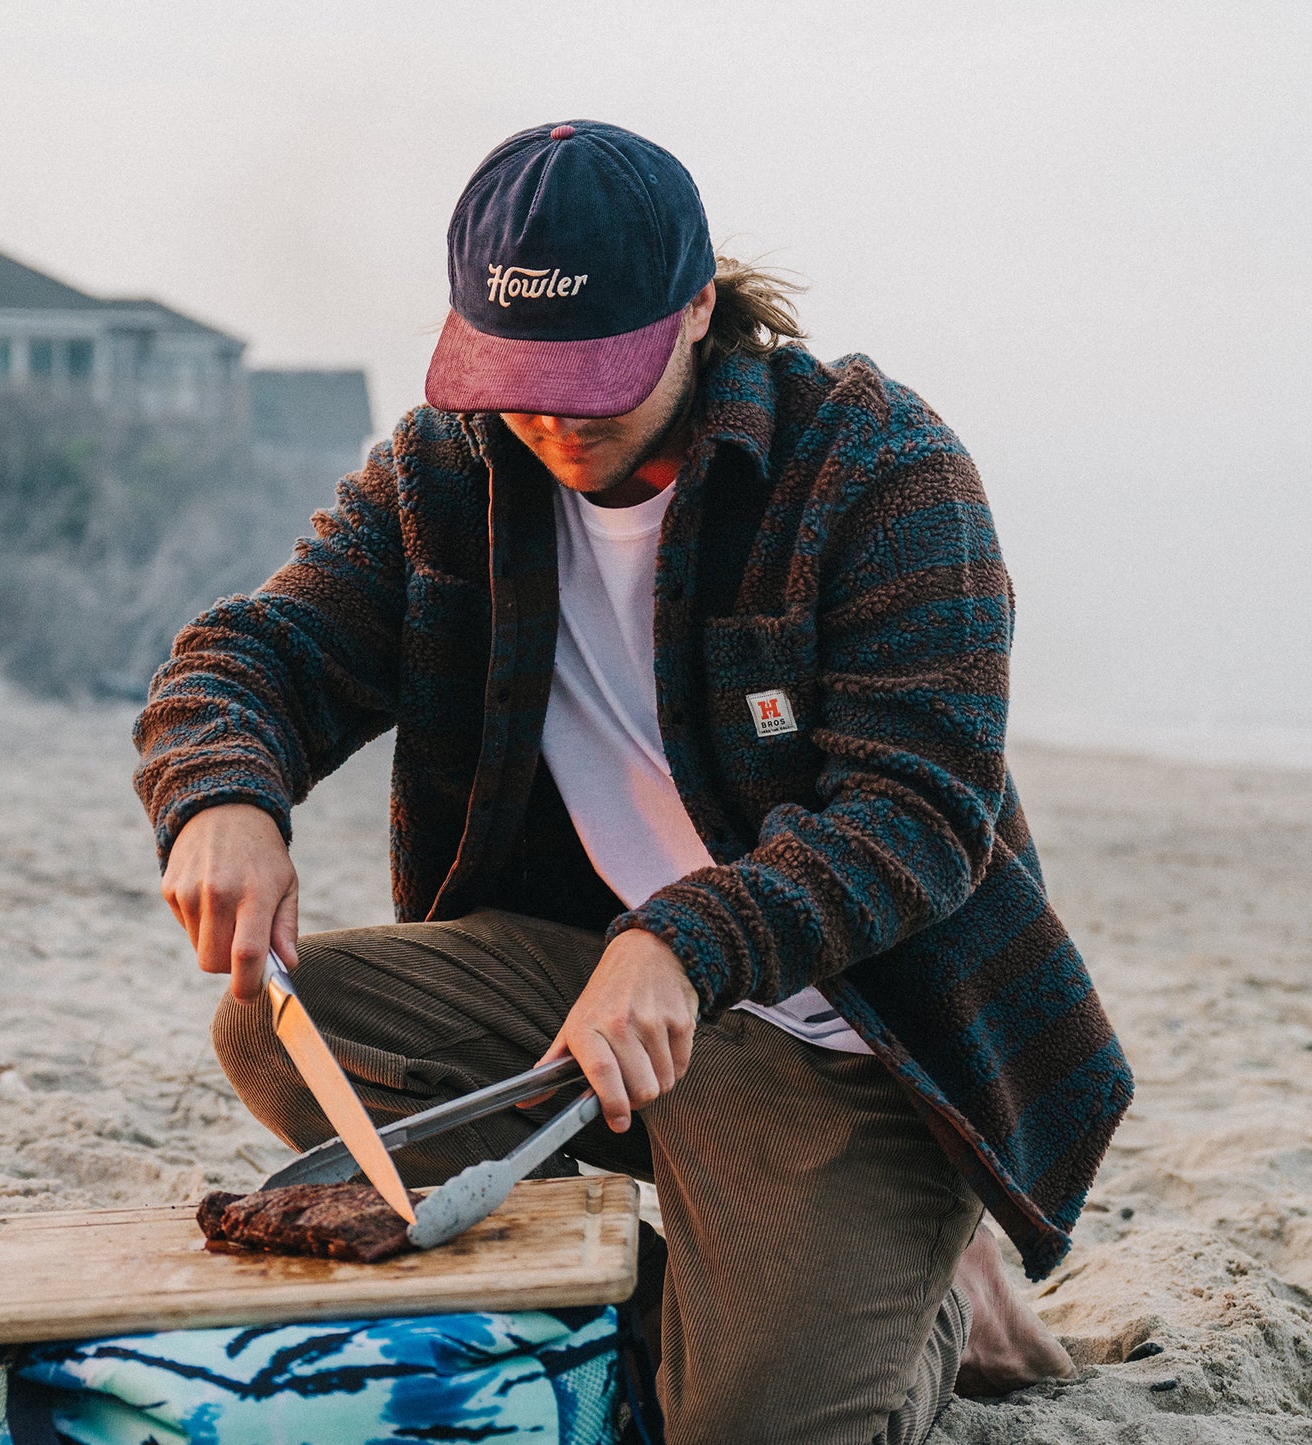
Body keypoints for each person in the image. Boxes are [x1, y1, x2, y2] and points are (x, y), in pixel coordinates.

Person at [134, 120, 1132, 1444]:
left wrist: (683, 937)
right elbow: (251, 654)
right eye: (518, 369)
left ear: (698, 308)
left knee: (744, 1431)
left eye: (594, 372)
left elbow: (918, 812)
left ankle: (927, 1288)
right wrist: (223, 798)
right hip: (599, 1004)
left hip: (850, 1043)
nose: (551, 413)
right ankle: (735, 1265)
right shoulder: (447, 472)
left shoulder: (877, 469)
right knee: (275, 1022)